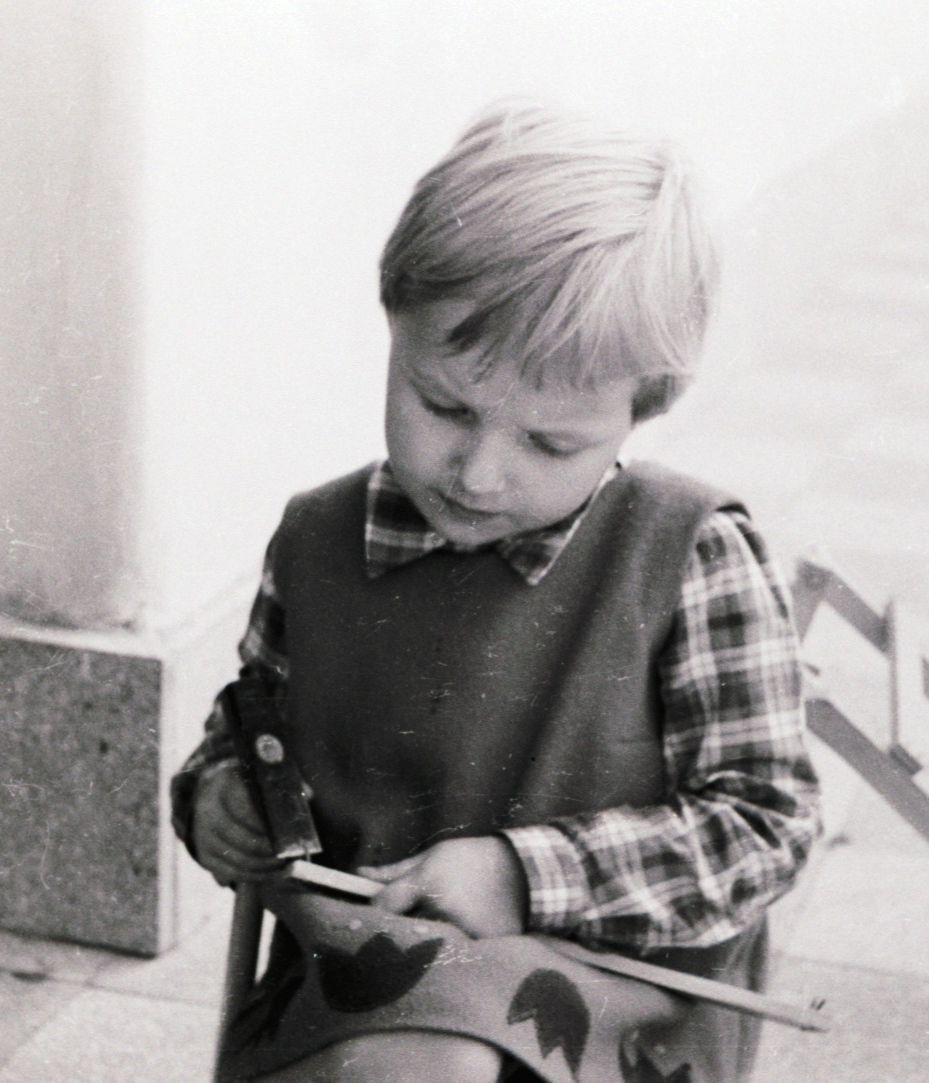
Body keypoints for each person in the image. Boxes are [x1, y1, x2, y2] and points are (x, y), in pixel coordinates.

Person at [170, 100, 820, 1083]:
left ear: (643, 410)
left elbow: (765, 825)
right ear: (393, 323)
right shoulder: (314, 539)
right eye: (443, 405)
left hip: (604, 993)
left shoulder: (691, 557)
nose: (478, 474)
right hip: (356, 973)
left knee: (432, 1069)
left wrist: (526, 874)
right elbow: (252, 725)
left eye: (551, 443)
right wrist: (222, 795)